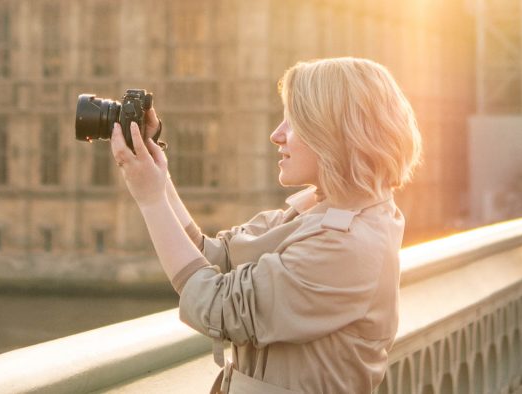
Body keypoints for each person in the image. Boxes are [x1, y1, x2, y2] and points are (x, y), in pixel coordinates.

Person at [110, 57, 421, 393]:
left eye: (293, 121)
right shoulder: (315, 212)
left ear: (335, 132)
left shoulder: (349, 245)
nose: (276, 135)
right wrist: (159, 174)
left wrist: (150, 199)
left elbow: (218, 306)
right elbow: (217, 258)